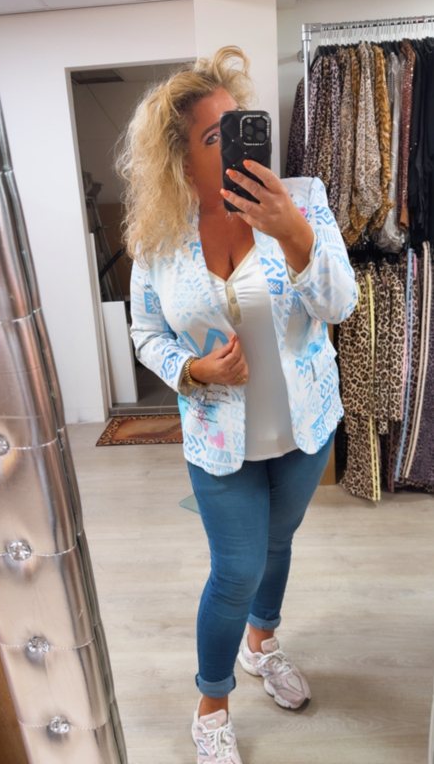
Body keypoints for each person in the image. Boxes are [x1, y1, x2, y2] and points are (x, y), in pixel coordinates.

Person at [116, 46, 358, 763]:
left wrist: (294, 234)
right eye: (213, 136)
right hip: (219, 441)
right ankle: (213, 704)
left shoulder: (302, 199)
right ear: (178, 157)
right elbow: (145, 334)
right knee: (235, 571)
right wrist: (191, 368)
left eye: (240, 125)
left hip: (305, 430)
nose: (235, 144)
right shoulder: (158, 239)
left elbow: (339, 305)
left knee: (278, 546)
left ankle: (263, 643)